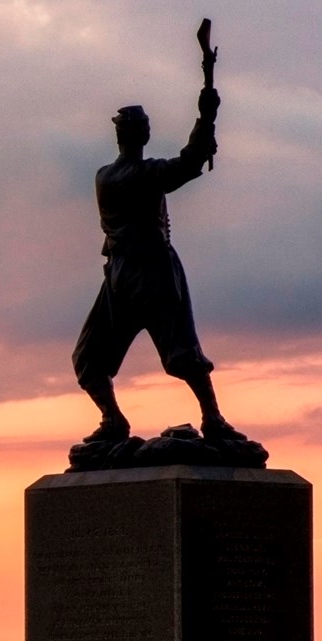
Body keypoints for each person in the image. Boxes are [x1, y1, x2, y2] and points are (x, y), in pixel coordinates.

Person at [71, 87, 245, 443]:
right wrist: (206, 118)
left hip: (125, 276)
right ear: (144, 134)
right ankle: (208, 417)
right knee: (179, 355)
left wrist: (203, 133)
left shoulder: (106, 175)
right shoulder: (138, 176)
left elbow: (186, 164)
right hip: (148, 275)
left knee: (92, 359)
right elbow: (187, 163)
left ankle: (118, 420)